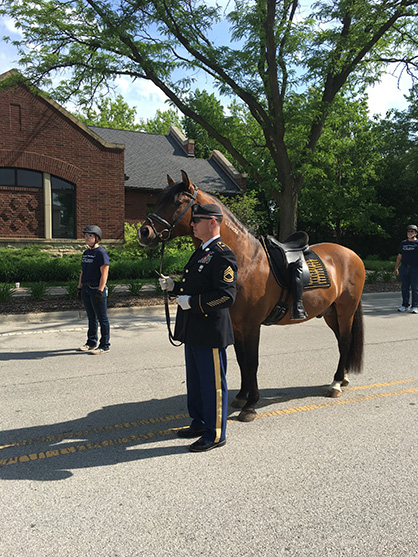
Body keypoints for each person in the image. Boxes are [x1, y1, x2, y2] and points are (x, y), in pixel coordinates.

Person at [159, 203, 238, 452]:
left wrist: (192, 302)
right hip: (194, 329)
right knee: (195, 382)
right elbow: (196, 283)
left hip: (210, 330)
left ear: (213, 222)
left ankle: (215, 434)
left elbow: (226, 296)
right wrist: (176, 287)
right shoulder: (203, 251)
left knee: (212, 384)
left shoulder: (223, 254)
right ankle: (200, 422)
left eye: (197, 220)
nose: (192, 224)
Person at [77, 225, 111, 354]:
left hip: (96, 289)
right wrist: (79, 288)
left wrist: (100, 290)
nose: (86, 238)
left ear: (97, 238)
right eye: (85, 235)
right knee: (91, 317)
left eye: (89, 235)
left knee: (102, 318)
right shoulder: (86, 252)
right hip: (86, 288)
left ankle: (104, 346)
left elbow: (104, 274)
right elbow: (83, 271)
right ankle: (91, 342)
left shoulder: (101, 253)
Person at [394, 224, 418, 313]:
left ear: (415, 233)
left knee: (415, 288)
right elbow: (399, 256)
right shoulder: (403, 243)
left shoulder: (417, 243)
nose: (410, 233)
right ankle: (405, 305)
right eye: (408, 231)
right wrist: (396, 267)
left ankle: (415, 306)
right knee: (404, 287)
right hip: (404, 268)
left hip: (415, 269)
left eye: (412, 231)